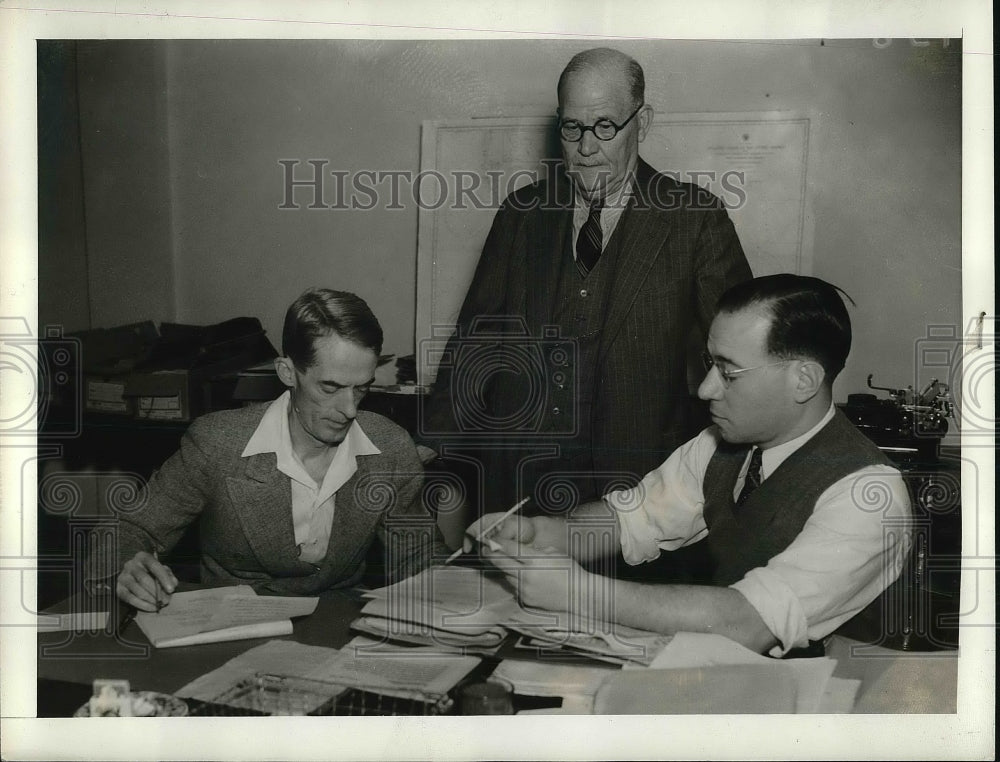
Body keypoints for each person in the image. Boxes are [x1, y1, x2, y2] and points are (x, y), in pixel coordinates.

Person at [465, 275, 912, 656]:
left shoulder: (867, 496)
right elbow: (631, 519)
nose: (705, 389)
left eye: (729, 372)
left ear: (804, 380)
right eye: (709, 364)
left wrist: (581, 593)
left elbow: (751, 623)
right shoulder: (720, 445)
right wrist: (539, 533)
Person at [419, 47, 751, 520]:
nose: (586, 147)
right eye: (572, 127)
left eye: (605, 126)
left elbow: (742, 353)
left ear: (642, 121)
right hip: (519, 484)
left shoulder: (694, 219)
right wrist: (433, 442)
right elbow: (476, 339)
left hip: (638, 488)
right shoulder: (521, 213)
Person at [87, 288, 449, 611]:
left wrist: (473, 571)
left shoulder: (390, 448)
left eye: (361, 388)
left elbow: (420, 559)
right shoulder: (217, 443)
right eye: (330, 388)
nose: (350, 409)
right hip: (230, 628)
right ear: (287, 372)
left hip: (338, 629)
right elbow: (127, 530)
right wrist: (126, 569)